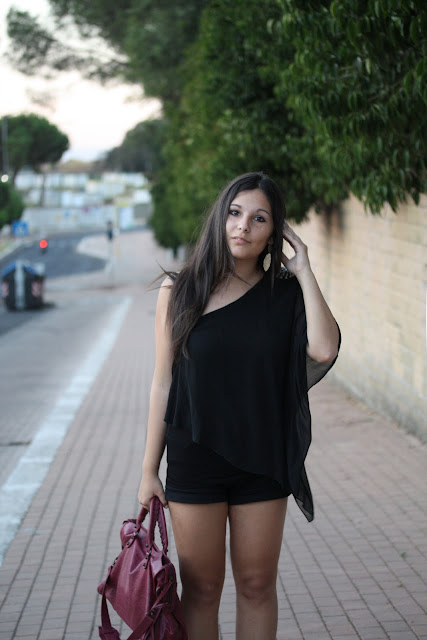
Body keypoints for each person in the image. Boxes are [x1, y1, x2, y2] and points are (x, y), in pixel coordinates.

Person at [138, 172, 340, 640]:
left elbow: (324, 349)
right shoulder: (180, 290)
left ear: (275, 232)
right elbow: (163, 382)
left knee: (255, 585)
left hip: (262, 459)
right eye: (234, 212)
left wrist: (304, 269)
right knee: (202, 589)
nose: (243, 226)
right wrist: (149, 470)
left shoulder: (286, 294)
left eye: (259, 218)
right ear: (220, 218)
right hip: (194, 458)